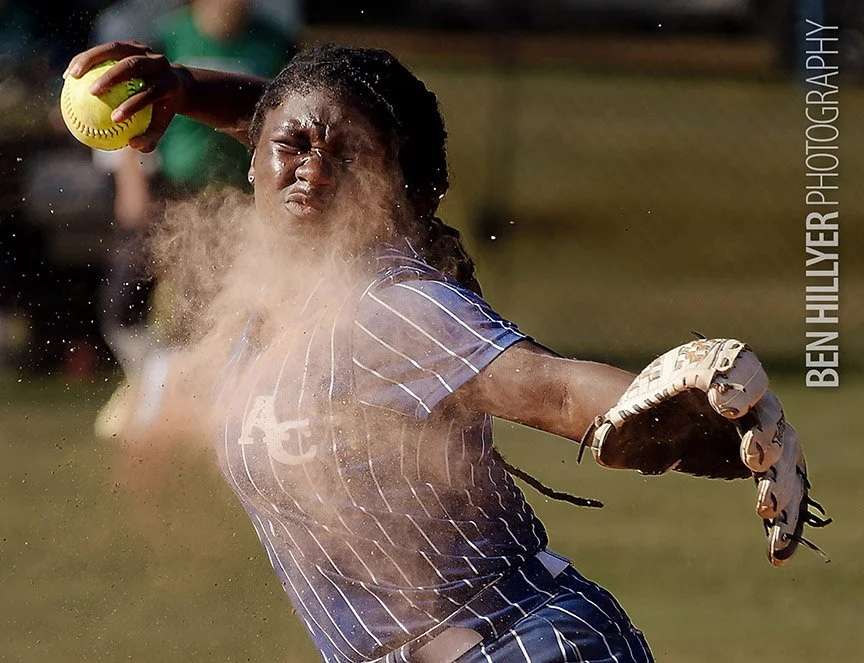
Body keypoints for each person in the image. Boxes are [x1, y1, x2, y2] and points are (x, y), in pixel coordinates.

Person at [63, 41, 807, 663]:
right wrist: (187, 88)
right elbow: (307, 116)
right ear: (252, 153)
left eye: (349, 159)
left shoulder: (389, 306)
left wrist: (715, 419)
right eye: (290, 148)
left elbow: (552, 389)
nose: (315, 171)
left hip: (523, 645)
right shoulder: (273, 299)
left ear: (390, 186)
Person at [91, 0, 297, 437]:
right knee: (122, 305)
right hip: (173, 193)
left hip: (244, 201)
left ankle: (187, 400)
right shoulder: (170, 35)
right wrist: (131, 181)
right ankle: (148, 378)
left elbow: (293, 113)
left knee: (209, 312)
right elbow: (132, 110)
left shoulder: (274, 42)